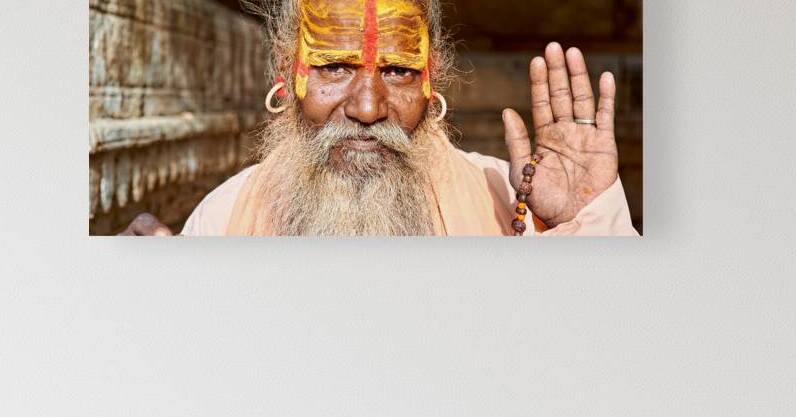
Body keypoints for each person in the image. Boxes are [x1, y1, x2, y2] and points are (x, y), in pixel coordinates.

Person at [122, 0, 637, 237]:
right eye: (335, 67)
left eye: (396, 71)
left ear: (431, 80)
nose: (367, 108)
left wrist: (586, 220)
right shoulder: (224, 217)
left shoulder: (508, 202)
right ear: (288, 73)